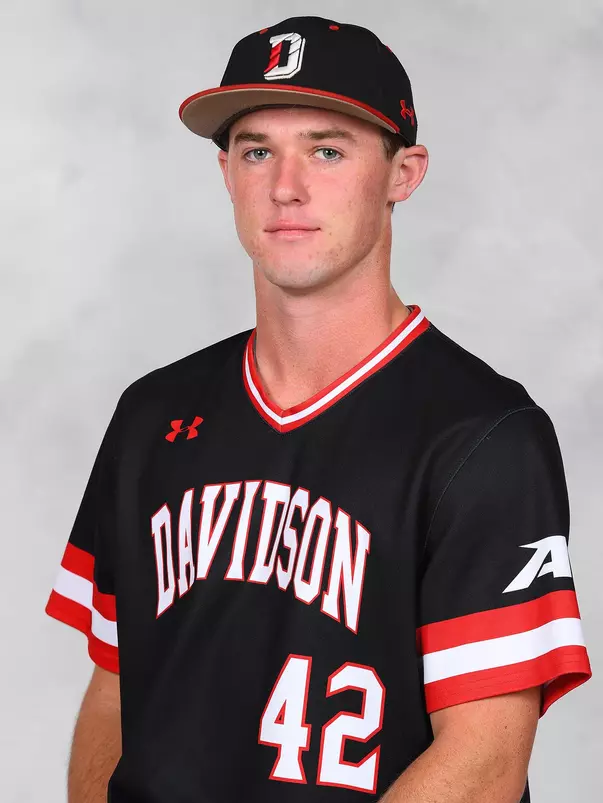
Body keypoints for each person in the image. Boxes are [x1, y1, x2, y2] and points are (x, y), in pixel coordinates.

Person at [45, 15, 592, 803]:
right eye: (256, 151)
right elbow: (114, 691)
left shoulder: (483, 436)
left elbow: (482, 765)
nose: (285, 185)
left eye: (326, 150)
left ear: (403, 173)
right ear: (226, 172)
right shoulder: (151, 415)